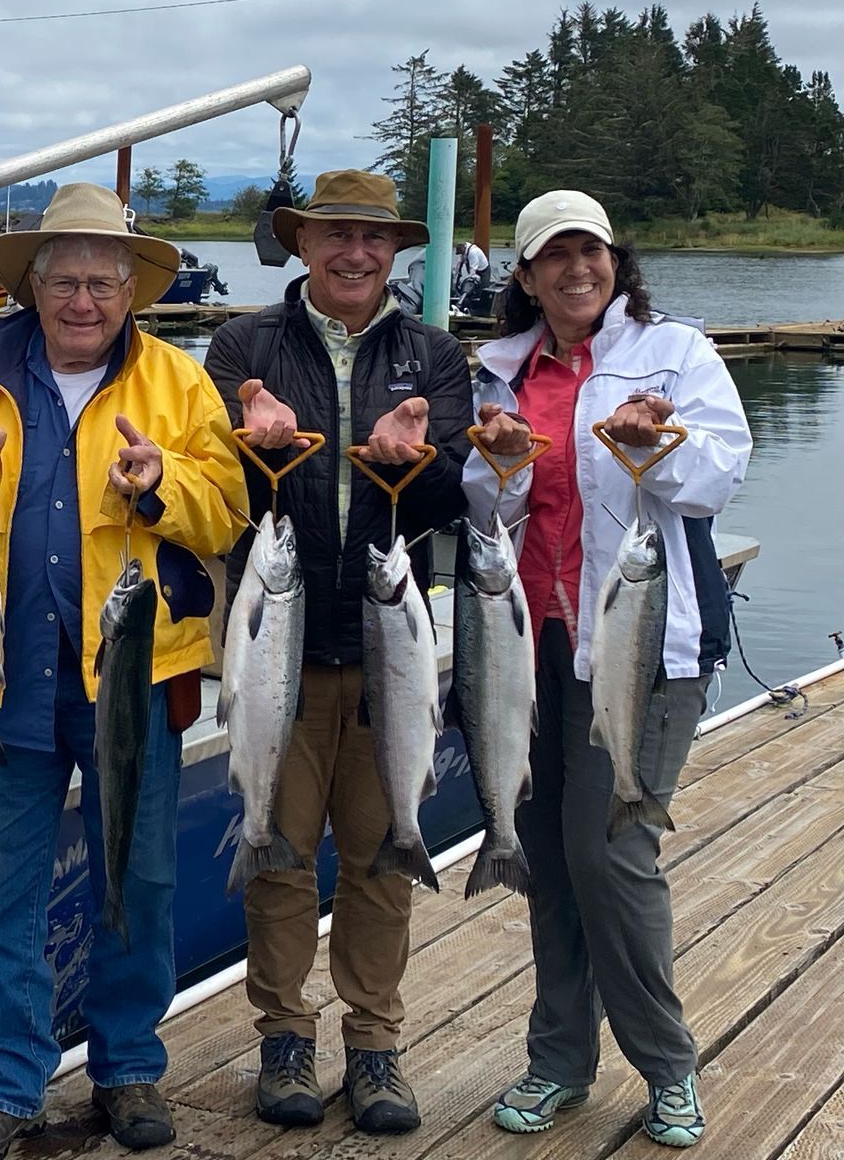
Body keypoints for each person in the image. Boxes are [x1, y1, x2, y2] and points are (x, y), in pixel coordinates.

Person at [0, 182, 248, 1159]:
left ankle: (128, 1067)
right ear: (34, 286)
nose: (83, 300)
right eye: (66, 281)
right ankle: (6, 1085)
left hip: (135, 682)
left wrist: (161, 482)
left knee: (139, 881)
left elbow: (226, 508)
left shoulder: (178, 385)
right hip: (2, 684)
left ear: (130, 290)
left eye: (102, 281)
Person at [467, 190, 750, 1149]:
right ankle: (559, 1062)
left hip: (643, 643)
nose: (574, 271)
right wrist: (499, 467)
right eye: (554, 257)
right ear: (527, 275)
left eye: (590, 252)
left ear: (614, 262)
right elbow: (486, 518)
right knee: (548, 863)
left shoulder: (677, 352)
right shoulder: (503, 372)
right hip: (529, 644)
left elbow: (718, 474)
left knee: (612, 857)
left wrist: (652, 448)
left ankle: (668, 1067)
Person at [203, 169, 471, 1135]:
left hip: (389, 647)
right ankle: (283, 1035)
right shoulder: (242, 346)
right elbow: (217, 491)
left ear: (396, 250)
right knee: (273, 851)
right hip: (280, 644)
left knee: (381, 856)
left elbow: (446, 507)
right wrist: (246, 442)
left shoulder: (436, 356)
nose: (355, 254)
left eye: (373, 239)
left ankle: (374, 1044)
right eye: (335, 237)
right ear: (305, 245)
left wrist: (425, 458)